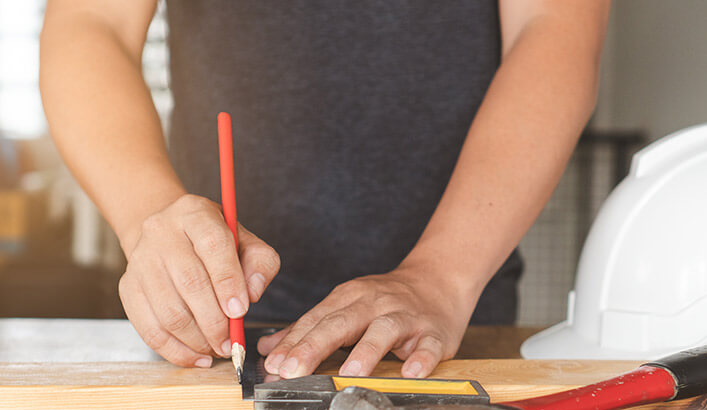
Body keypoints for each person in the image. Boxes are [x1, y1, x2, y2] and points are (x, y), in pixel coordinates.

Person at [40, 1, 610, 379]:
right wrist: (149, 214)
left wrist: (441, 277)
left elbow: (553, 31)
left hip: (449, 320)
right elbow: (92, 23)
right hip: (212, 325)